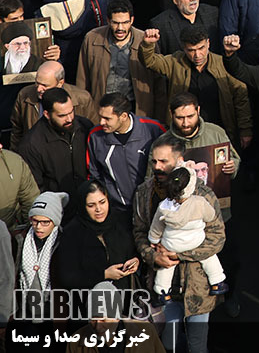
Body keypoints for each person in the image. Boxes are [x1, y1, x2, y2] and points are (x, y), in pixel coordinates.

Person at [132, 134, 225, 352]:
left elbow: (217, 237)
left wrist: (179, 254)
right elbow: (139, 232)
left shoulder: (202, 194)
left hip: (198, 284)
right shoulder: (144, 193)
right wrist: (154, 256)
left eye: (163, 161)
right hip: (163, 283)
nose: (157, 166)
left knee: (197, 345)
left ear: (180, 161)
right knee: (168, 344)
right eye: (154, 161)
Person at [140, 29, 251, 150]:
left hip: (219, 130)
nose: (197, 55)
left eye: (201, 48)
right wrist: (148, 45)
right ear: (184, 48)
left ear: (208, 43)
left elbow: (241, 97)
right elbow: (150, 61)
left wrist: (245, 129)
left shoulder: (223, 64)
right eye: (191, 50)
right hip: (184, 134)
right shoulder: (175, 62)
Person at [148, 165, 227, 302]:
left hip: (171, 245)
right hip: (195, 242)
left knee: (166, 267)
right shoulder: (199, 202)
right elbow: (210, 216)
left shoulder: (163, 206)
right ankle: (217, 282)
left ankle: (162, 292)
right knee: (209, 258)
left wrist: (153, 241)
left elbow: (156, 228)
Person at [53, 181, 139, 290]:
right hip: (88, 296)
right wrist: (104, 275)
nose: (98, 209)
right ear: (83, 206)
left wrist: (135, 261)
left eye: (102, 202)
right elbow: (67, 277)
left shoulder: (121, 221)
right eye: (91, 205)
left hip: (125, 293)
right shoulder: (72, 232)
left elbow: (133, 250)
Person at [86, 92, 165, 211]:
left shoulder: (153, 129)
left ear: (123, 116)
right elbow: (94, 174)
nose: (101, 122)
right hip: (117, 208)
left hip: (152, 206)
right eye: (100, 117)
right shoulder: (95, 136)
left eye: (107, 119)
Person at [19, 88, 92, 194]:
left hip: (87, 198)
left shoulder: (85, 126)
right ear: (47, 114)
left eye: (71, 112)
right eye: (62, 115)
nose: (69, 119)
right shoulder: (31, 145)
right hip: (57, 201)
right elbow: (35, 187)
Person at [18, 191, 69, 291]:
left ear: (55, 222)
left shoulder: (64, 242)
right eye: (35, 221)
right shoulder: (19, 239)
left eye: (45, 222)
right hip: (22, 299)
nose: (38, 227)